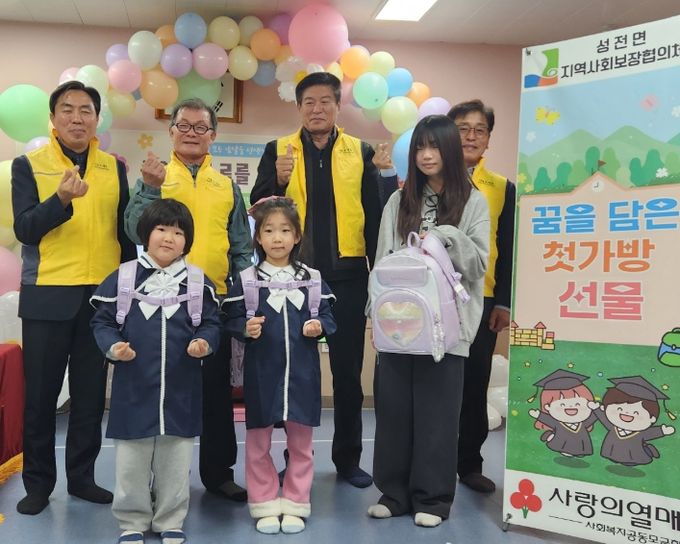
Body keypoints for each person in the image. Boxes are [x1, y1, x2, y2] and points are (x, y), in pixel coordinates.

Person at [250, 72, 397, 488]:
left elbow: (378, 216)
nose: (317, 109)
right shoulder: (278, 150)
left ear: (337, 106)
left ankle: (348, 460)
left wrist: (379, 273)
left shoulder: (361, 152)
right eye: (309, 102)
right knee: (291, 372)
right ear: (299, 108)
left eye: (325, 101)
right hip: (292, 278)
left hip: (348, 276)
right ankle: (294, 460)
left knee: (348, 375)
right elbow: (258, 210)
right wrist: (277, 181)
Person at [11, 80, 136, 515]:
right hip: (47, 295)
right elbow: (25, 229)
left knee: (89, 398)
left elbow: (124, 236)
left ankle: (82, 479)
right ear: (53, 118)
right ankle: (38, 484)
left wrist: (129, 290)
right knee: (41, 398)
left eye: (86, 110)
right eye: (67, 109)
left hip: (101, 299)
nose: (77, 118)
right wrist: (61, 198)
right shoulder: (30, 165)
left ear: (97, 119)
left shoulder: (113, 168)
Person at [124, 98, 251, 502]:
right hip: (161, 303)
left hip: (214, 303)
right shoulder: (156, 177)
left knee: (216, 394)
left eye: (201, 127)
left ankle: (219, 474)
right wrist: (149, 188)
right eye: (184, 126)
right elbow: (133, 230)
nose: (192, 133)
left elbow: (241, 246)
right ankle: (157, 482)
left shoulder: (227, 186)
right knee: (160, 391)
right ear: (171, 131)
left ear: (213, 135)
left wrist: (245, 295)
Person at [368, 115, 489, 527]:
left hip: (448, 330)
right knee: (394, 414)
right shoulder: (398, 201)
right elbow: (381, 261)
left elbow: (478, 266)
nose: (425, 155)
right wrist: (376, 319)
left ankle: (433, 499)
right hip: (398, 327)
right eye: (420, 147)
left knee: (438, 419)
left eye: (434, 146)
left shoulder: (473, 201)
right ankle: (393, 493)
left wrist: (446, 235)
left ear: (450, 150)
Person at [91, 199, 221, 544]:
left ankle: (170, 519)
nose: (169, 238)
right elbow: (102, 321)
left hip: (182, 389)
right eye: (161, 229)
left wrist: (204, 342)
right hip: (133, 388)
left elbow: (211, 323)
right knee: (130, 463)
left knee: (176, 462)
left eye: (178, 232)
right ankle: (132, 520)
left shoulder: (198, 282)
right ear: (145, 233)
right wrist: (113, 347)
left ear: (187, 240)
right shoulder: (123, 277)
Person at [223, 197, 337, 534]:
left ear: (297, 236)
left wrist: (319, 326)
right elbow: (231, 319)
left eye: (285, 230)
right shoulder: (247, 280)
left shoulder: (312, 279)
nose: (277, 238)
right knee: (258, 442)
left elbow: (329, 316)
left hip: (303, 376)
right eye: (269, 230)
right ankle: (264, 502)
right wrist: (245, 328)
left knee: (301, 443)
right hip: (262, 374)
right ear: (258, 237)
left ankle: (296, 501)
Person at [447, 99, 515, 493]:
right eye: (462, 128)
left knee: (475, 385)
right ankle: (432, 462)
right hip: (436, 298)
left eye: (480, 130)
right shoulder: (430, 179)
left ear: (488, 138)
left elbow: (507, 248)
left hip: (482, 299)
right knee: (437, 385)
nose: (471, 136)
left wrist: (503, 301)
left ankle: (469, 464)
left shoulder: (502, 188)